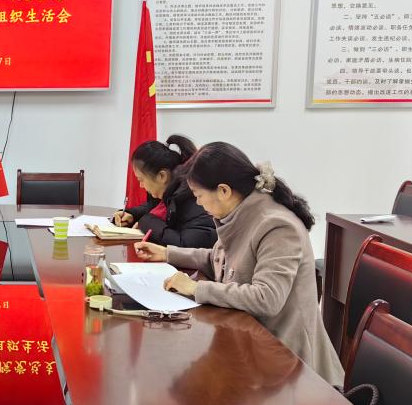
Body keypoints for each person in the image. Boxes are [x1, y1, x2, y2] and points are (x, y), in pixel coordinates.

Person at [134, 142, 344, 385]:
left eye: (199, 196)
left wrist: (196, 288)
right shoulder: (240, 214)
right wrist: (168, 253)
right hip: (251, 344)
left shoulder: (276, 226)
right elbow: (218, 260)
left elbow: (266, 298)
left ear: (223, 191)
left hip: (288, 365)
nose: (199, 203)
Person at [112, 135, 217, 249]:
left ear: (162, 176)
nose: (141, 186)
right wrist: (132, 214)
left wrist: (146, 221)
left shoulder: (194, 198)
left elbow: (186, 246)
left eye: (141, 180)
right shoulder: (173, 192)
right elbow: (154, 206)